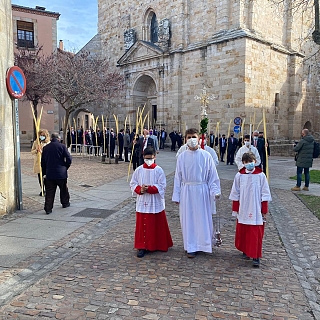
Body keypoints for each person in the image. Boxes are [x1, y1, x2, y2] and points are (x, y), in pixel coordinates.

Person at [172, 128, 221, 258]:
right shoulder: (182, 157)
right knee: (188, 219)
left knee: (202, 217)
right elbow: (178, 177)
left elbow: (212, 176)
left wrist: (215, 191)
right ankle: (191, 246)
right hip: (187, 191)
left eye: (193, 136)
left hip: (202, 190)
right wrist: (176, 195)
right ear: (185, 139)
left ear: (199, 138)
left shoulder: (206, 156)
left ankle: (204, 244)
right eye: (188, 137)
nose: (191, 139)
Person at [229, 152, 272, 267]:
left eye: (251, 162)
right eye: (247, 162)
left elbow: (265, 193)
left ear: (255, 162)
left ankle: (256, 255)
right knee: (244, 229)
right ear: (243, 163)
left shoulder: (261, 175)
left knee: (255, 232)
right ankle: (245, 249)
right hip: (243, 207)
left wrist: (264, 209)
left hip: (256, 207)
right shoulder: (239, 175)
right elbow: (235, 193)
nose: (249, 164)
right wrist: (236, 208)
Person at [130, 147, 173, 258]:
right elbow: (133, 183)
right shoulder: (139, 170)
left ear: (155, 157)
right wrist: (140, 189)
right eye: (146, 158)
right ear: (143, 157)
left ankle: (157, 244)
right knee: (142, 224)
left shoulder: (159, 170)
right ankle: (142, 246)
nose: (148, 160)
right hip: (143, 200)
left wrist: (150, 189)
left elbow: (162, 186)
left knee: (155, 223)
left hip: (155, 201)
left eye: (150, 158)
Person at [41, 133, 72, 215]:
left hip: (50, 173)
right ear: (58, 138)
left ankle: (48, 208)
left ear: (51, 138)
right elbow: (69, 158)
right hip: (61, 173)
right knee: (63, 189)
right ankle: (65, 203)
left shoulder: (45, 148)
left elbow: (43, 162)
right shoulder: (62, 146)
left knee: (50, 192)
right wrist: (65, 167)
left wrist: (44, 172)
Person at [31, 129, 50, 196]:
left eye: (43, 135)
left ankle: (48, 190)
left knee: (46, 177)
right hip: (38, 162)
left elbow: (49, 153)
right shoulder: (36, 142)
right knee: (40, 177)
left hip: (46, 162)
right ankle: (42, 189)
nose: (41, 137)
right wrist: (36, 150)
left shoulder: (48, 143)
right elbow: (32, 152)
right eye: (40, 135)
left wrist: (42, 151)